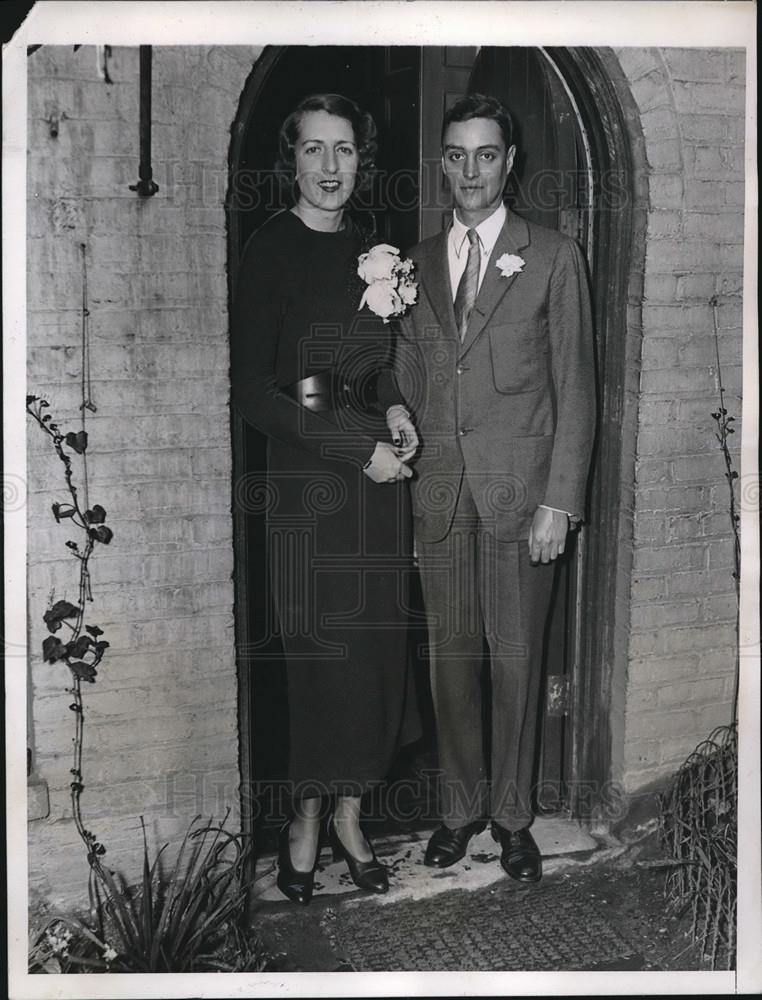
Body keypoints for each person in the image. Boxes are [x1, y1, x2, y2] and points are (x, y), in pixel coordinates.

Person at [394, 93, 596, 883]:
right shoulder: (410, 265)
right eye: (456, 154)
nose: (471, 170)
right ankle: (457, 811)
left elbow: (577, 388)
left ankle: (513, 818)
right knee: (450, 663)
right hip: (442, 496)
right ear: (442, 162)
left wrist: (561, 501)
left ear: (510, 161)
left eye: (486, 154)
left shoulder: (551, 255)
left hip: (523, 500)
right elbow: (409, 377)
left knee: (515, 659)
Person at [230, 93, 420, 904]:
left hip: (377, 488)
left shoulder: (373, 249)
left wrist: (398, 403)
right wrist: (356, 444)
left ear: (360, 159)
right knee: (320, 659)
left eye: (344, 149)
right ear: (293, 159)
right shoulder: (269, 250)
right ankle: (302, 821)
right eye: (315, 150)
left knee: (373, 657)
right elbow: (259, 393)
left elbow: (369, 365)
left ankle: (351, 814)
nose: (331, 167)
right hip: (310, 489)